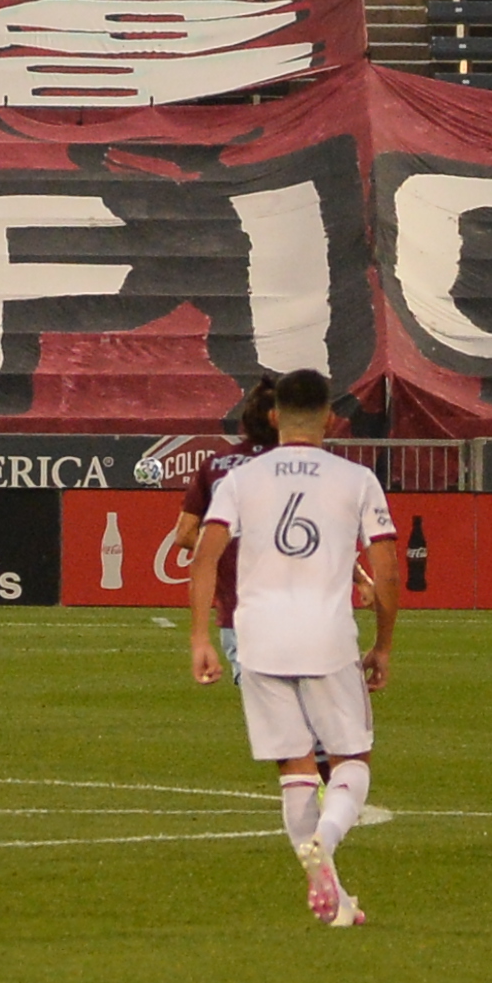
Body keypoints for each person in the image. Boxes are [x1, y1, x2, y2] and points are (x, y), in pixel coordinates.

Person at [184, 368, 398, 929]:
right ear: (331, 420)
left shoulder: (239, 479)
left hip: (256, 638)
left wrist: (201, 638)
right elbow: (386, 566)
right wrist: (384, 643)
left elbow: (203, 556)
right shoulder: (356, 479)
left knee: (296, 768)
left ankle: (337, 903)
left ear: (274, 416)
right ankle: (324, 842)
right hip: (326, 636)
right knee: (352, 760)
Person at [180, 377, 283, 673]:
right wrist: (361, 579)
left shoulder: (216, 464)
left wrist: (223, 548)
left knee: (265, 711)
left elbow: (184, 534)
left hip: (237, 614)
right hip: (300, 617)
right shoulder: (299, 466)